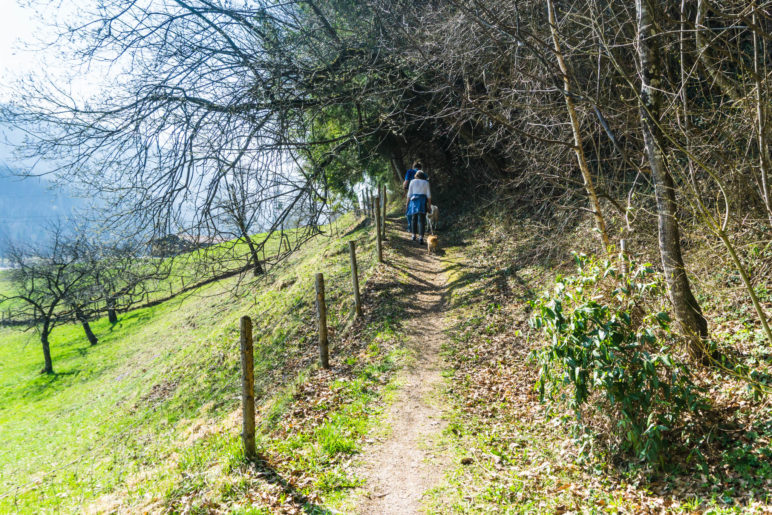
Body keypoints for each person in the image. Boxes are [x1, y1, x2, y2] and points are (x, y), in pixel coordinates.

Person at [405, 170, 432, 244]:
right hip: (422, 201)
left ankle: (413, 236)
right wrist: (429, 206)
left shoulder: (412, 181)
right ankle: (421, 238)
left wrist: (407, 204)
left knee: (414, 219)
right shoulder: (426, 183)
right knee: (422, 220)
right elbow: (429, 196)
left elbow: (409, 194)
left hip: (413, 202)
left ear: (416, 175)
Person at [403, 161, 422, 232]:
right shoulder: (422, 173)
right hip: (421, 193)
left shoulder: (410, 171)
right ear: (420, 167)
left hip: (412, 193)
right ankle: (419, 227)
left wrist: (404, 188)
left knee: (409, 209)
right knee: (420, 210)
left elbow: (406, 182)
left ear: (413, 167)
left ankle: (410, 227)